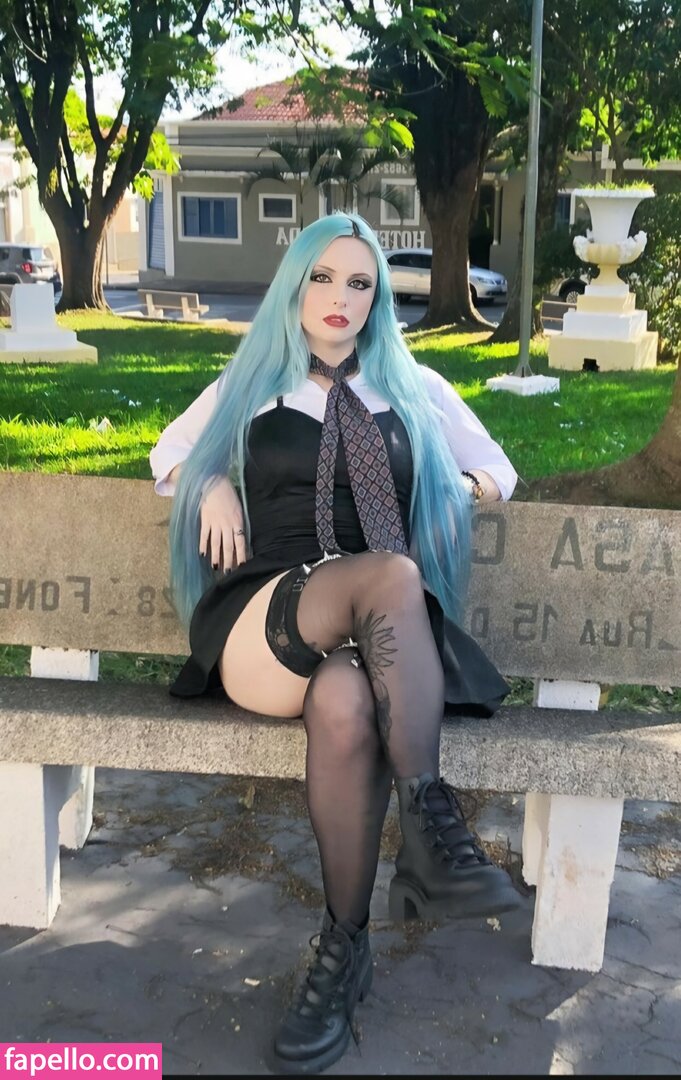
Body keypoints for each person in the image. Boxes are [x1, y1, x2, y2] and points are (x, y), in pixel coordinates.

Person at [150, 212, 519, 1076]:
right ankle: (432, 830)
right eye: (322, 278)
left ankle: (341, 950)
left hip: (367, 650)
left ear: (377, 299)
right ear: (295, 288)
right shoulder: (253, 382)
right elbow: (168, 456)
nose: (339, 298)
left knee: (349, 698)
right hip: (264, 625)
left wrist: (453, 486)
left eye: (360, 283)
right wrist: (208, 480)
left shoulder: (414, 387)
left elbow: (498, 469)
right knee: (391, 574)